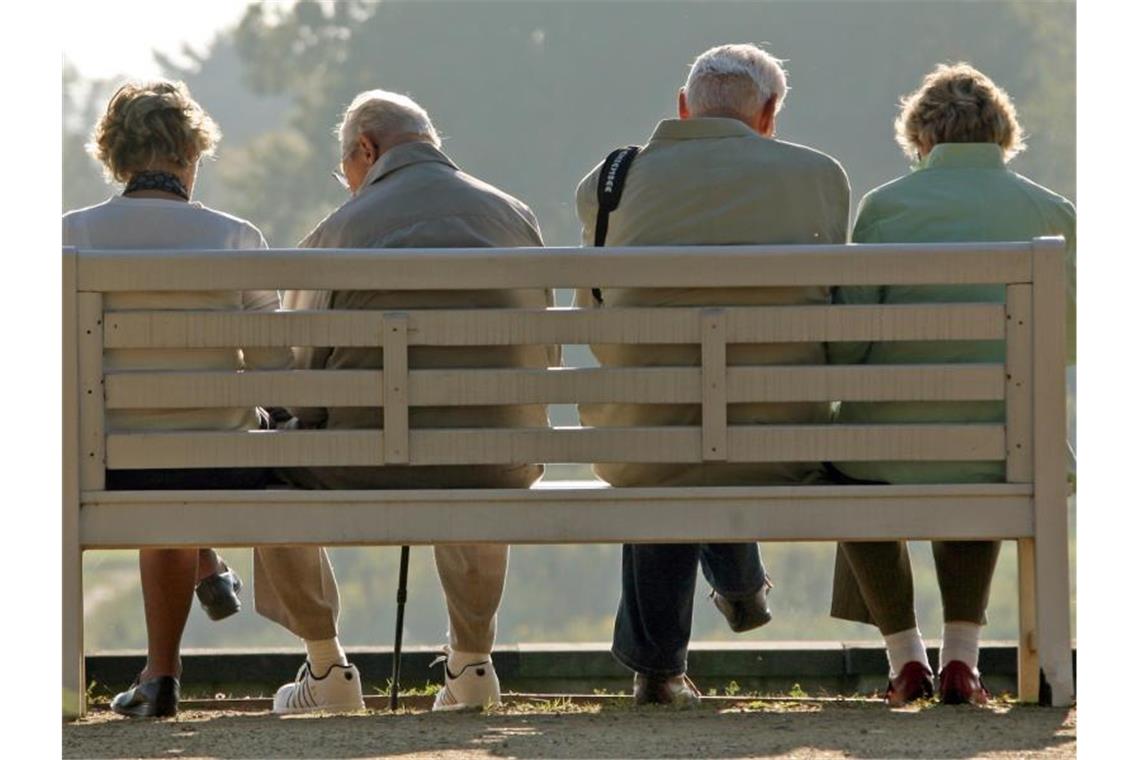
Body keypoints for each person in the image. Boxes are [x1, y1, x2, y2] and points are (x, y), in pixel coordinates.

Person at [255, 89, 556, 714]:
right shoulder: (514, 216)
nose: (349, 187)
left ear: (365, 149)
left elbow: (299, 389)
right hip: (497, 464)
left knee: (264, 468)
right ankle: (472, 666)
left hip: (359, 464)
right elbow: (542, 359)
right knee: (483, 436)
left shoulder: (339, 232)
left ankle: (326, 670)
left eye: (348, 173)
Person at [574, 43, 850, 706]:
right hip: (780, 441)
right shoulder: (819, 177)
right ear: (769, 114)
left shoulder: (607, 183)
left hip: (645, 438)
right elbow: (836, 308)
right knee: (722, 409)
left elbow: (595, 316)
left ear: (682, 108)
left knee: (664, 428)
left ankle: (659, 671)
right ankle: (739, 583)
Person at [827, 63, 1076, 706]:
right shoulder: (1053, 213)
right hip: (1006, 447)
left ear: (921, 138)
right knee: (988, 445)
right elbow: (1066, 347)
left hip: (887, 451)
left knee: (843, 465)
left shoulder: (884, 208)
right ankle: (962, 662)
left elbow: (849, 346)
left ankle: (906, 659)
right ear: (1002, 134)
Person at [62, 80, 294, 717]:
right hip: (220, 463)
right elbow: (278, 373)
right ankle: (190, 600)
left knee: (152, 462)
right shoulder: (235, 237)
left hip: (103, 461)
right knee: (186, 456)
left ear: (117, 156)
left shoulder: (69, 237)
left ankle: (161, 669)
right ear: (191, 154)